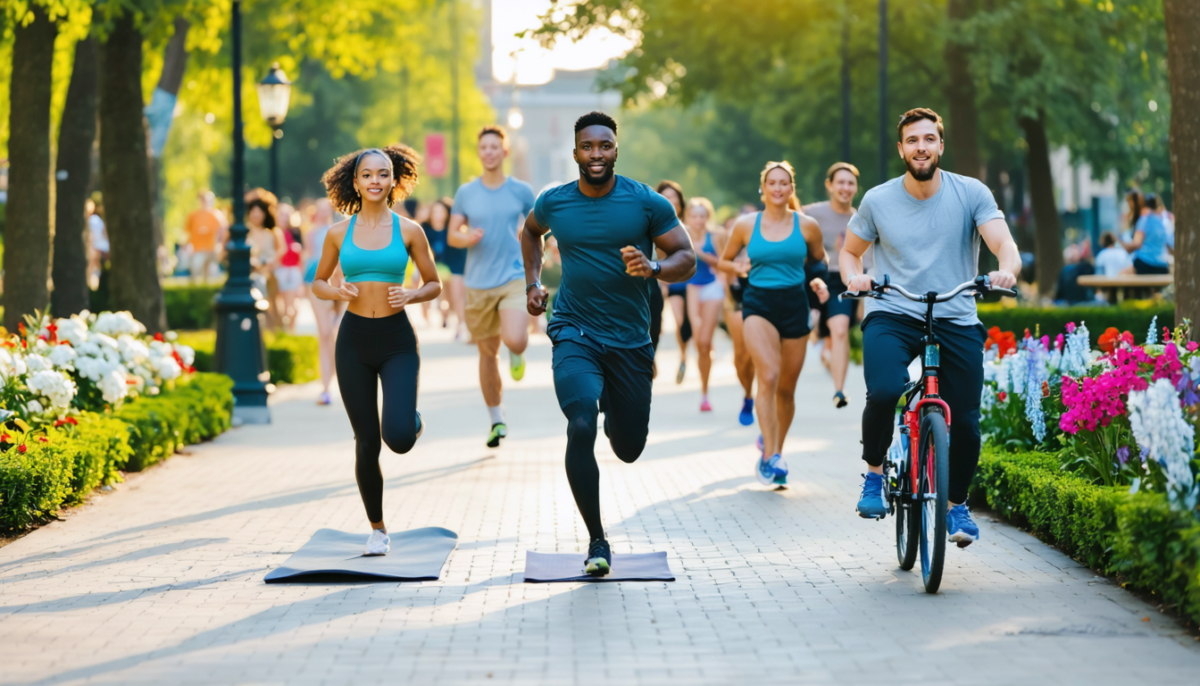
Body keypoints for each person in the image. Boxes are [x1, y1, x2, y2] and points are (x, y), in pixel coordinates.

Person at [522, 112, 696, 576]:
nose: (596, 154)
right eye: (588, 146)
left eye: (604, 145)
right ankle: (597, 539)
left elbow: (687, 258)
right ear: (575, 152)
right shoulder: (554, 201)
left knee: (628, 447)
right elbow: (530, 232)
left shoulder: (646, 202)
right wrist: (533, 283)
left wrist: (654, 268)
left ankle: (611, 405)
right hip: (574, 329)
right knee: (581, 422)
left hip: (630, 340)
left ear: (616, 149)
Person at [841, 107, 1020, 546]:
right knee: (885, 390)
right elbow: (850, 252)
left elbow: (1003, 242)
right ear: (901, 149)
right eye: (912, 141)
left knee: (968, 423)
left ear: (940, 144)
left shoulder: (971, 192)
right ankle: (874, 475)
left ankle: (956, 505)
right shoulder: (878, 200)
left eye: (928, 139)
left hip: (955, 314)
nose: (920, 147)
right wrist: (855, 277)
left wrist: (1006, 270)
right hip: (893, 311)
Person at [312, 145, 441, 556]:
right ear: (355, 182)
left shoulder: (410, 231)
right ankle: (378, 530)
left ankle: (411, 420)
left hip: (397, 341)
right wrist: (336, 290)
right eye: (367, 174)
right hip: (353, 342)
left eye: (383, 174)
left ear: (393, 180)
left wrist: (412, 294)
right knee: (367, 441)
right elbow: (318, 283)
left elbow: (434, 283)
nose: (375, 181)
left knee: (398, 438)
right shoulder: (338, 233)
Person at [719, 162, 829, 487]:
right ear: (763, 189)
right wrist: (738, 268)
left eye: (784, 183)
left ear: (791, 188)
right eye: (772, 183)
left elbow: (819, 261)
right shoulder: (745, 225)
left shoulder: (807, 226)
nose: (778, 188)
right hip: (758, 303)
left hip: (795, 305)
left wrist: (818, 282)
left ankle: (777, 449)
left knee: (786, 390)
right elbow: (725, 260)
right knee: (768, 375)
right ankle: (770, 456)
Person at [448, 126, 537, 449]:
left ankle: (516, 350)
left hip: (513, 275)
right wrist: (466, 237)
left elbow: (538, 227)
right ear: (479, 152)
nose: (489, 152)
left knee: (514, 339)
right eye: (483, 147)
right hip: (478, 282)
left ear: (504, 152)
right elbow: (452, 235)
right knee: (487, 354)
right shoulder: (466, 192)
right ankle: (496, 419)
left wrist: (530, 240)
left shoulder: (521, 190)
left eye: (494, 147)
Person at [804, 162, 860, 409]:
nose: (845, 188)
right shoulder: (810, 213)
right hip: (812, 277)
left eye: (850, 183)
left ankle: (839, 389)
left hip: (842, 280)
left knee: (840, 329)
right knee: (809, 328)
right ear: (829, 185)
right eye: (841, 182)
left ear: (856, 188)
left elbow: (866, 258)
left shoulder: (860, 219)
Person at [683, 197, 725, 412]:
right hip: (692, 288)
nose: (698, 220)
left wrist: (699, 253)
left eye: (702, 216)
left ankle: (705, 394)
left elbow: (723, 262)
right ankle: (704, 376)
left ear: (708, 217)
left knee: (705, 341)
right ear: (687, 217)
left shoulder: (715, 236)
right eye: (694, 216)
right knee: (699, 344)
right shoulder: (682, 236)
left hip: (712, 287)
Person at [303, 198, 345, 405]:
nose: (322, 213)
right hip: (316, 279)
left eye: (325, 209)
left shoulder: (340, 230)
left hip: (340, 281)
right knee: (325, 333)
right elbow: (308, 257)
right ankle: (326, 388)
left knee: (339, 332)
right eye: (318, 209)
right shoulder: (311, 233)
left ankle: (342, 377)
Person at [721, 210, 757, 426]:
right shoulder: (729, 247)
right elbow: (725, 278)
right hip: (737, 303)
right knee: (742, 356)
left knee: (758, 355)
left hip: (762, 303)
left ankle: (765, 397)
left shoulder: (762, 243)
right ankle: (748, 394)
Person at [656, 180, 693, 383]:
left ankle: (683, 356)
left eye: (674, 197)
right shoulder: (654, 227)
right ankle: (652, 356)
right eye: (666, 197)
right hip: (666, 283)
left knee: (686, 325)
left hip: (691, 282)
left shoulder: (690, 226)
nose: (670, 201)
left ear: (680, 201)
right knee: (673, 322)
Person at [245, 189, 286, 329]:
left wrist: (271, 261)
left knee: (273, 303)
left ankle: (276, 328)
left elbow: (281, 250)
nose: (256, 215)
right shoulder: (246, 232)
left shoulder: (272, 232)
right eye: (253, 211)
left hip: (269, 273)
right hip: (251, 274)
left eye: (259, 212)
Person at [1122, 194, 1173, 275]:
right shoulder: (1162, 222)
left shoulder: (1144, 220)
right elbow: (1169, 245)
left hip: (1145, 264)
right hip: (1161, 265)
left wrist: (1120, 243)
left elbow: (1137, 243)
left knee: (1122, 275)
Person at [185, 190, 227, 283]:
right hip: (198, 249)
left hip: (212, 249)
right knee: (195, 270)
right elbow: (188, 232)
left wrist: (221, 245)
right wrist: (187, 245)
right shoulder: (193, 215)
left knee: (212, 274)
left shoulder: (217, 215)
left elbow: (224, 231)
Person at [275, 203, 305, 332]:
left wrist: (301, 278)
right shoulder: (273, 232)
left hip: (293, 271)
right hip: (278, 270)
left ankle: (290, 331)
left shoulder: (295, 233)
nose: (284, 218)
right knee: (278, 304)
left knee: (291, 306)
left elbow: (302, 257)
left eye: (286, 215)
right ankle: (281, 330)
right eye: (281, 214)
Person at [86, 199, 108, 289]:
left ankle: (93, 283)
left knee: (93, 264)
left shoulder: (93, 220)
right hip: (98, 245)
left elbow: (93, 235)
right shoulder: (95, 219)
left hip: (96, 245)